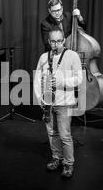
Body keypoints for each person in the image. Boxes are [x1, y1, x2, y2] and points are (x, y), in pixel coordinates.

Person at [33, 27, 83, 178]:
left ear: (64, 40)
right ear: (49, 41)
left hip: (64, 102)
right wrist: (39, 98)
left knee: (65, 134)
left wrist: (61, 82)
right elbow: (37, 80)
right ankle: (57, 158)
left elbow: (79, 79)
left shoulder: (72, 56)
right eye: (53, 41)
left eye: (59, 41)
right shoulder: (43, 57)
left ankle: (68, 164)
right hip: (48, 101)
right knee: (52, 133)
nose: (56, 44)